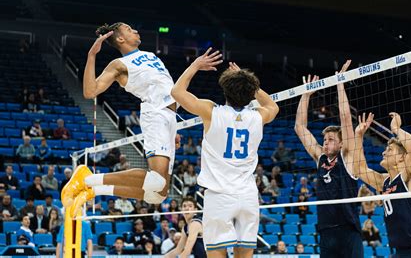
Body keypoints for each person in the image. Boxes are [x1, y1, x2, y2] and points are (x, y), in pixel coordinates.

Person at [64, 22, 178, 216]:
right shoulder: (119, 64)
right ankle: (86, 179)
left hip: (170, 117)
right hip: (155, 114)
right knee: (157, 180)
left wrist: (174, 130)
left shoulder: (151, 55)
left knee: (158, 194)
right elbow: (90, 91)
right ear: (120, 38)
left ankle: (95, 190)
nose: (136, 30)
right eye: (129, 29)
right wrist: (92, 56)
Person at [171, 54, 279, 257]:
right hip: (248, 196)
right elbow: (273, 106)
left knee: (216, 253)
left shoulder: (211, 111)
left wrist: (195, 65)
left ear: (225, 90)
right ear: (251, 93)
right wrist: (249, 85)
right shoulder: (258, 116)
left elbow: (177, 92)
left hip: (219, 196)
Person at [294, 62, 363, 258]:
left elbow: (345, 118)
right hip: (326, 230)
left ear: (341, 144)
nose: (325, 143)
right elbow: (300, 127)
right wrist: (306, 95)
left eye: (331, 139)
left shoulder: (347, 157)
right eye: (324, 140)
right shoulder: (320, 158)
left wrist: (340, 83)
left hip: (348, 230)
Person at [355, 112, 411, 257]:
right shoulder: (383, 182)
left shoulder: (410, 178)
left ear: (401, 158)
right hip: (399, 252)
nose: (384, 153)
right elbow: (359, 169)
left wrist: (396, 129)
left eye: (389, 150)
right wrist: (358, 136)